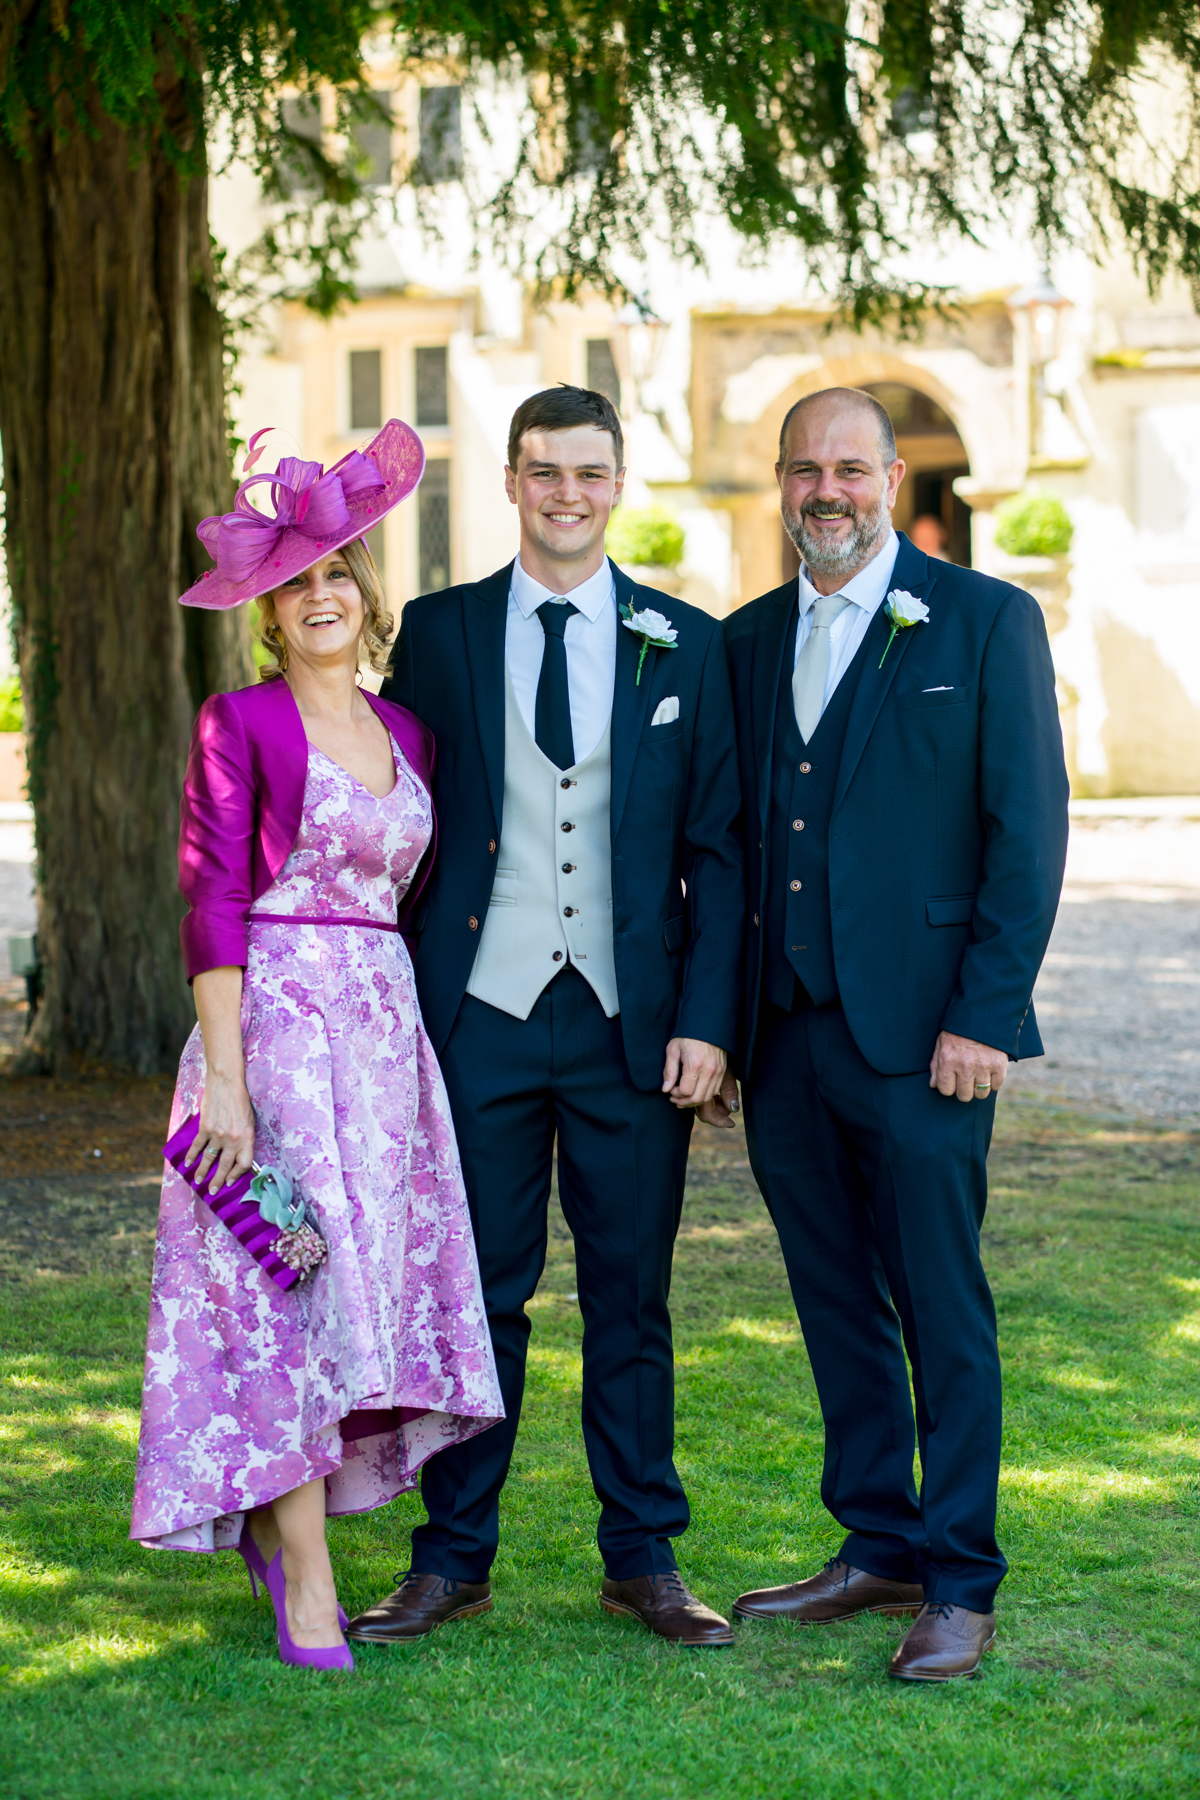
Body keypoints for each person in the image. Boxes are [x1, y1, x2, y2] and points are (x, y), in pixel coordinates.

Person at [346, 385, 744, 1649]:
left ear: (617, 484)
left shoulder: (687, 642)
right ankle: (453, 1559)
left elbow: (719, 850)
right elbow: (394, 811)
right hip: (481, 1016)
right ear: (512, 482)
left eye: (589, 472)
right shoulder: (441, 633)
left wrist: (709, 1021)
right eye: (544, 471)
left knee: (632, 1300)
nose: (567, 493)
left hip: (637, 1028)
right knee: (476, 1295)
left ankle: (644, 1558)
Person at [130, 420, 503, 1672]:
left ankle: (283, 1525)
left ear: (366, 593)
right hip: (275, 1042)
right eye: (296, 585)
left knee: (356, 1298)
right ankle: (305, 1579)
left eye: (338, 575)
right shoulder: (239, 722)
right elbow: (212, 902)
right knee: (287, 1292)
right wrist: (226, 1084)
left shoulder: (413, 738)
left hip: (384, 1051)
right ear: (270, 614)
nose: (320, 597)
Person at [718, 387, 1068, 1680]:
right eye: (805, 469)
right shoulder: (746, 641)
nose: (828, 491)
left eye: (851, 469)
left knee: (939, 1303)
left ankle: (961, 1577)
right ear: (783, 482)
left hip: (929, 1041)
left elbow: (1028, 833)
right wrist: (721, 1027)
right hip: (786, 1037)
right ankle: (879, 1544)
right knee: (833, 1299)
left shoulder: (984, 620)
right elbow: (728, 844)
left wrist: (986, 1014)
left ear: (893, 479)